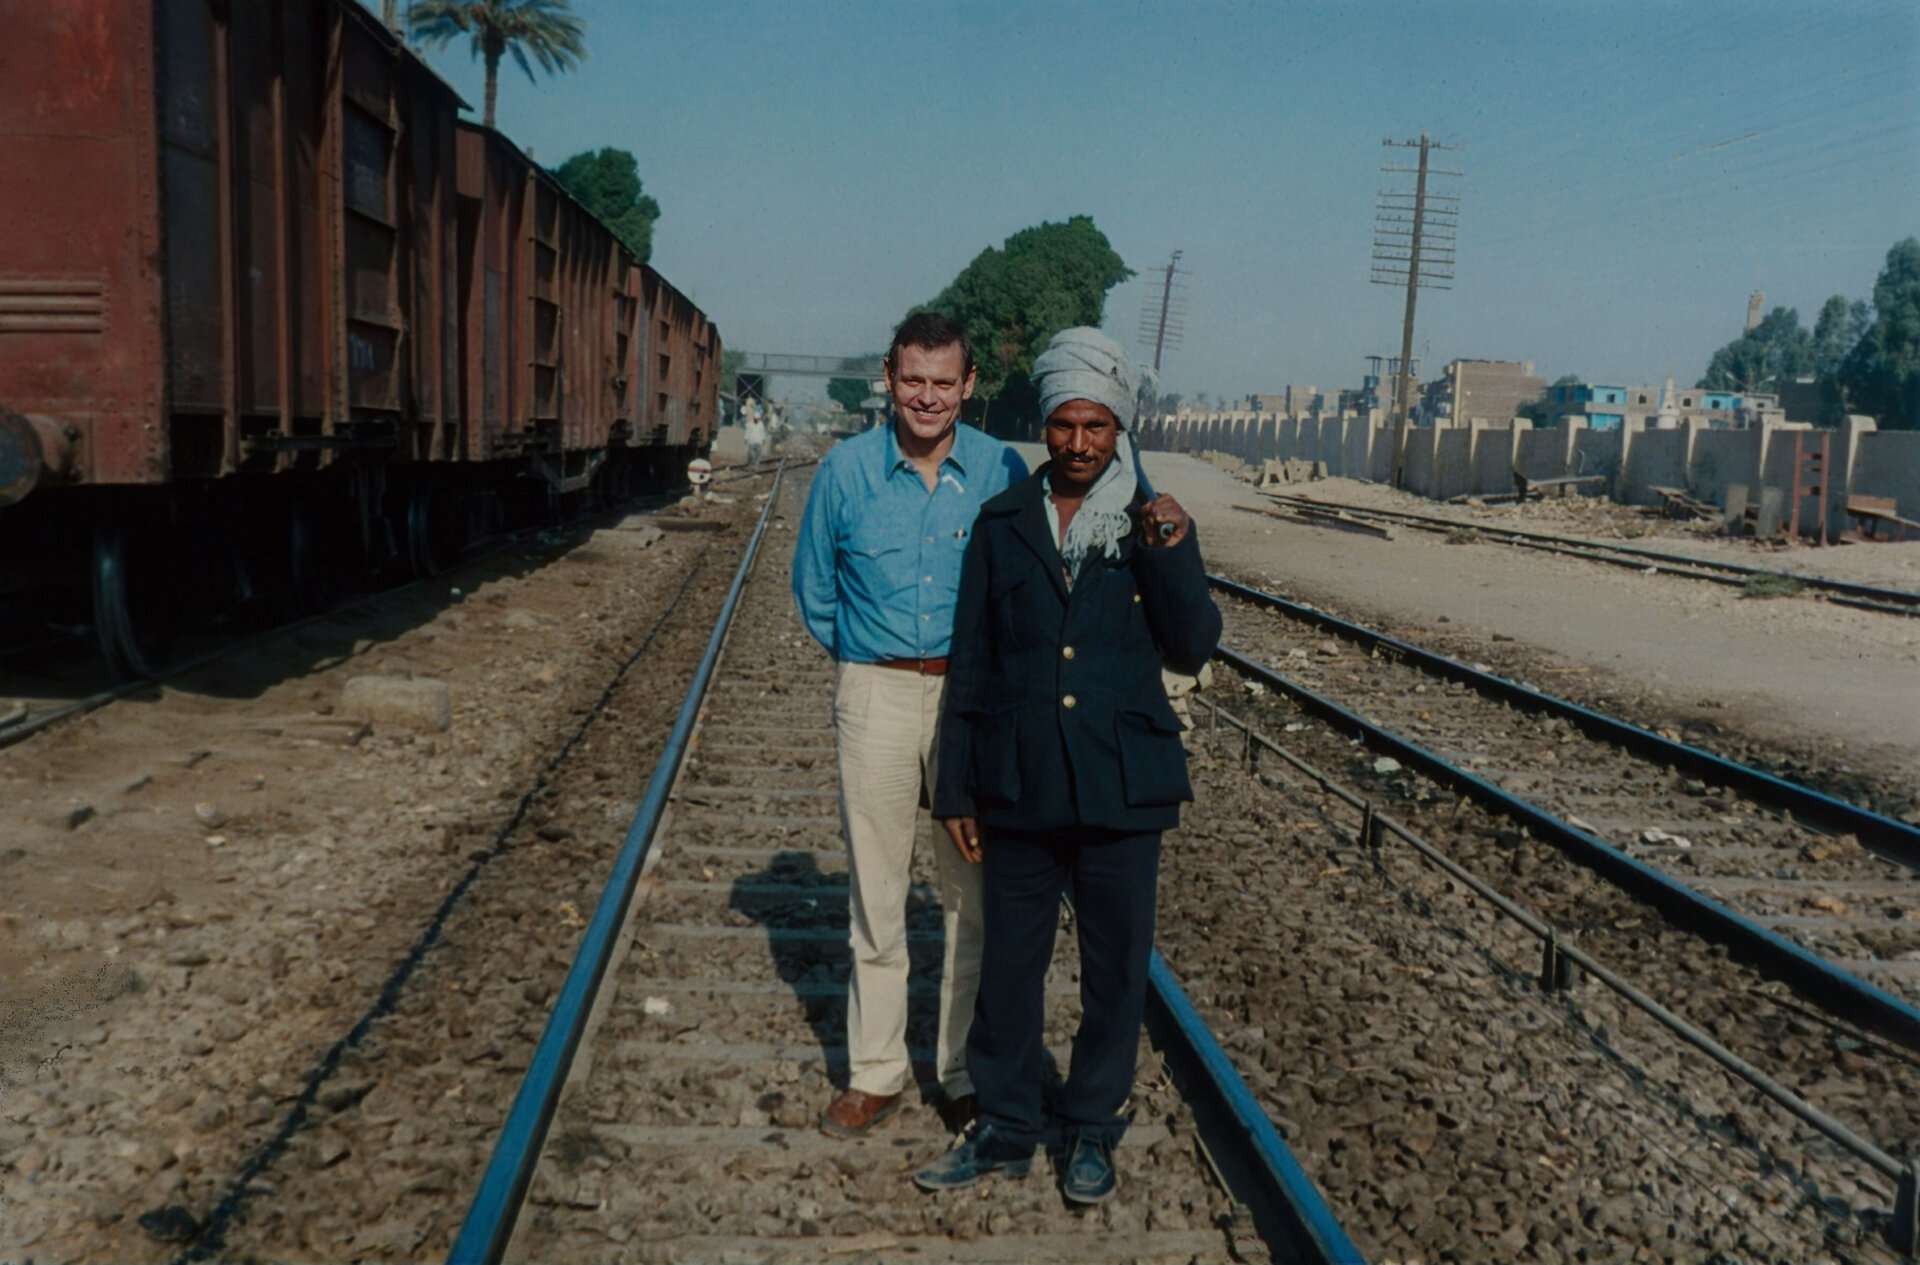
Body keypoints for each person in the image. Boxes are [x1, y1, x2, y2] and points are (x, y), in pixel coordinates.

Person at [914, 327, 1221, 1204]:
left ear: (1120, 426)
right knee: (1008, 963)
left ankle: (1090, 1125)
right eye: (1064, 425)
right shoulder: (1004, 523)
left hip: (1123, 786)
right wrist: (958, 787)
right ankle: (1007, 1125)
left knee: (1116, 970)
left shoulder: (1149, 521)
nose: (1079, 443)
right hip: (1018, 783)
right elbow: (972, 659)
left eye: (1096, 426)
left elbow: (1194, 644)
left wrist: (1173, 552)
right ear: (1043, 424)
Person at [792, 312, 1029, 1139]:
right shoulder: (845, 472)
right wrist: (870, 665)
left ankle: (962, 1068)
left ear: (969, 386)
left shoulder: (1002, 467)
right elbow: (816, 591)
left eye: (944, 382)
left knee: (971, 894)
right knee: (878, 890)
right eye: (912, 380)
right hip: (878, 694)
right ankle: (877, 1072)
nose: (927, 397)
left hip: (971, 701)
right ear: (887, 381)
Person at [742, 402, 767, 471]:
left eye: (757, 419)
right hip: (752, 441)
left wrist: (763, 439)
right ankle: (752, 465)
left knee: (758, 455)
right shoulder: (750, 424)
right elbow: (747, 432)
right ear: (754, 418)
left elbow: (762, 432)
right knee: (752, 454)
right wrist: (745, 439)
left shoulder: (761, 424)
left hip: (758, 441)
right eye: (755, 419)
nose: (756, 420)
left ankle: (755, 466)